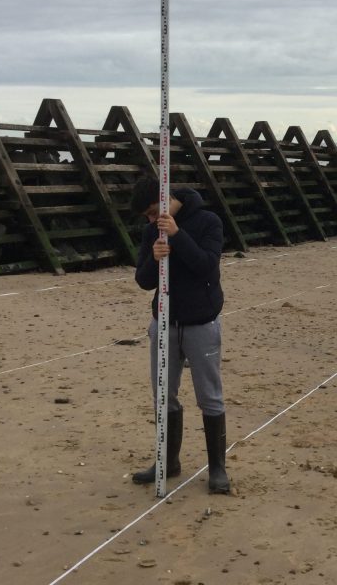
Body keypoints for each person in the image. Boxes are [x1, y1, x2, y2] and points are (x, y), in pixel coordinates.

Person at [130, 175, 230, 494]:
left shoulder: (208, 221)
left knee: (209, 396)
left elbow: (207, 267)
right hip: (165, 323)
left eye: (151, 212)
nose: (150, 220)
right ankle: (168, 462)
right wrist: (155, 258)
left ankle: (217, 469)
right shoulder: (151, 231)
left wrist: (178, 236)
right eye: (146, 217)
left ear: (166, 199)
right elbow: (144, 280)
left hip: (202, 322)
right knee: (164, 394)